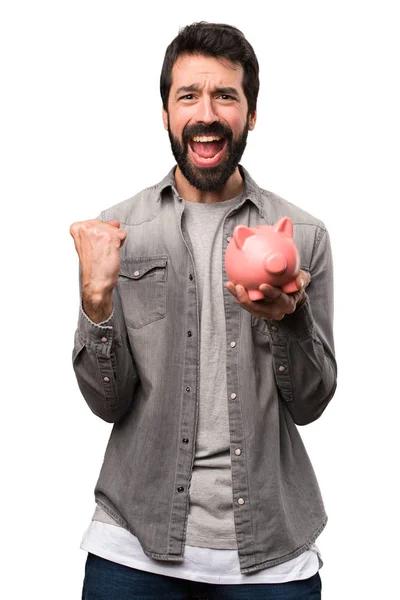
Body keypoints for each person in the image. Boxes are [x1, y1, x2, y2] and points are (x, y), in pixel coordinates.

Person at [70, 21, 337, 600]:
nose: (206, 112)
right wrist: (95, 303)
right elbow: (105, 402)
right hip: (132, 546)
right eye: (188, 95)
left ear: (251, 115)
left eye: (226, 96)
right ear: (165, 114)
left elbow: (313, 402)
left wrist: (289, 318)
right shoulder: (118, 231)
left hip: (269, 554)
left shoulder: (302, 237)